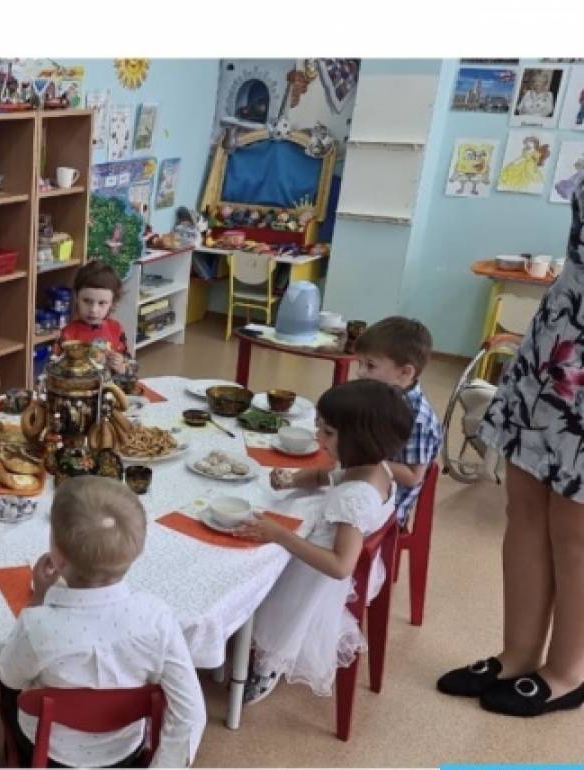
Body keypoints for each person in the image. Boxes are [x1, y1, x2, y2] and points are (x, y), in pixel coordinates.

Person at [438, 179, 584, 717]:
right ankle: (518, 654)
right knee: (523, 506)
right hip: (557, 340)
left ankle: (568, 671)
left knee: (575, 530)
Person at [0, 477, 205, 768]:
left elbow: (9, 675)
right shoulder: (158, 617)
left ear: (57, 557)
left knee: (5, 687)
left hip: (51, 751)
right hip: (125, 750)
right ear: (137, 551)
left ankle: (16, 757)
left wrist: (39, 597)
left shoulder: (37, 625)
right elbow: (191, 713)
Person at [239, 379, 413, 704]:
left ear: (361, 439)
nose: (318, 438)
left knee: (247, 572)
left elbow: (340, 565)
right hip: (319, 560)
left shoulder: (355, 497)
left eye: (328, 432)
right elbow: (327, 476)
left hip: (309, 580)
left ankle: (267, 666)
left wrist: (280, 534)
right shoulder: (376, 467)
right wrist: (293, 479)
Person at [351, 317, 442, 527]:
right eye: (360, 363)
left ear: (404, 373)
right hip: (364, 483)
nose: (360, 372)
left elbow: (413, 476)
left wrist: (364, 460)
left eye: (370, 366)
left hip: (386, 509)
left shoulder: (418, 420)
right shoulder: (382, 394)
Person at [57, 261, 130, 375]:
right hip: (78, 385)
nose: (93, 310)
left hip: (111, 385)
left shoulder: (116, 328)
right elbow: (54, 369)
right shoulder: (67, 333)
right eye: (87, 301)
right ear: (76, 297)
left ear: (112, 302)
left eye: (102, 303)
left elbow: (130, 364)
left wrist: (122, 367)